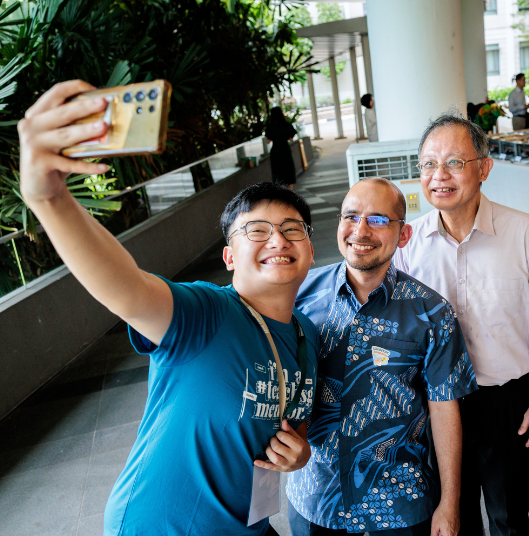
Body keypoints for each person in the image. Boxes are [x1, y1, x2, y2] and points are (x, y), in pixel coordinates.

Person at [17, 81, 320, 535]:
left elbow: (289, 427)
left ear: (310, 249)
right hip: (162, 524)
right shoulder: (205, 314)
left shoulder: (305, 336)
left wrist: (302, 453)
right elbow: (126, 288)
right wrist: (50, 199)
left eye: (292, 228)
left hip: (247, 523)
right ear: (229, 257)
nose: (278, 239)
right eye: (256, 230)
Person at [394, 112, 529, 536]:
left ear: (484, 168)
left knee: (509, 515)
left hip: (505, 401)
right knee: (453, 516)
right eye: (429, 164)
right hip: (436, 405)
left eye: (455, 161)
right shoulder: (407, 244)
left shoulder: (525, 231)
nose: (440, 175)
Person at [286, 178, 478, 536]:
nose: (361, 230)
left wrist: (449, 504)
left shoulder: (432, 313)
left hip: (397, 503)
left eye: (377, 220)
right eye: (351, 216)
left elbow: (444, 410)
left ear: (402, 235)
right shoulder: (298, 297)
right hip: (314, 496)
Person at [265, 106, 299, 189]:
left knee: (278, 173)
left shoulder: (270, 127)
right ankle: (292, 194)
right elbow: (291, 139)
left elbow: (268, 141)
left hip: (276, 151)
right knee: (289, 172)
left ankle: (283, 196)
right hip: (285, 150)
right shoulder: (287, 125)